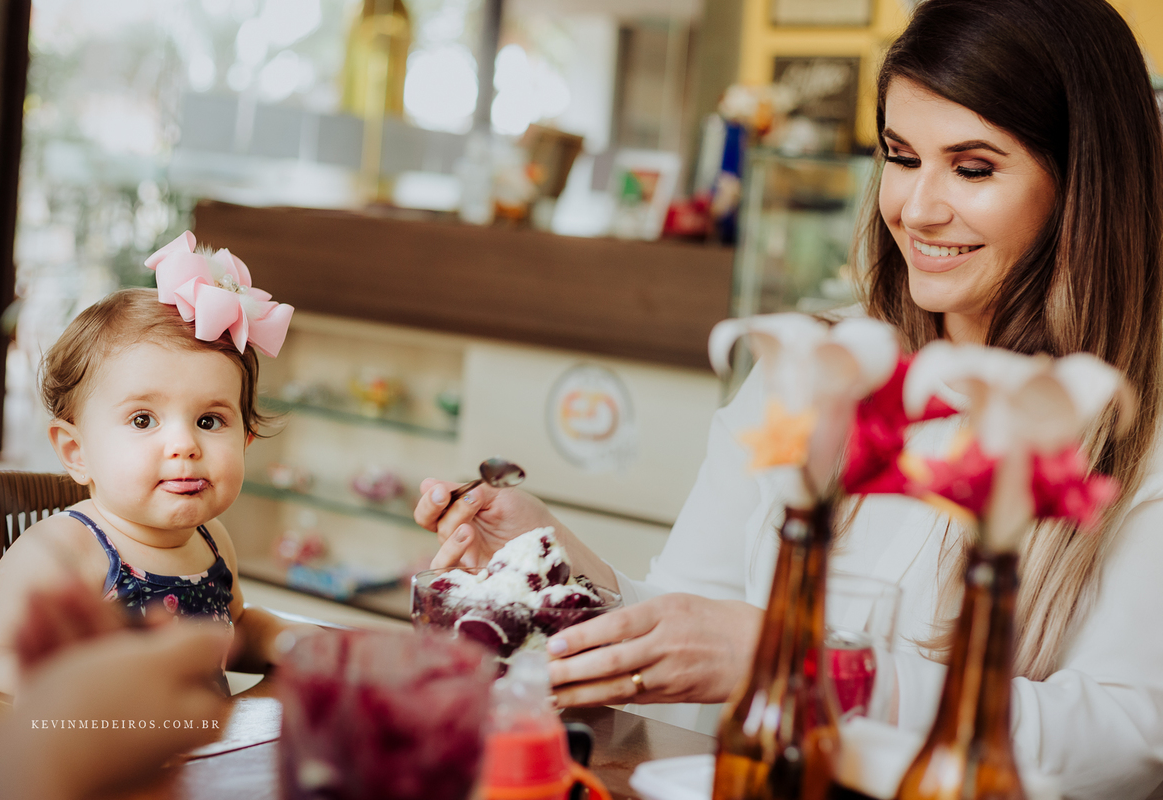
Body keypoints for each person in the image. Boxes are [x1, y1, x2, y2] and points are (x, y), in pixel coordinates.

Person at [415, 0, 1163, 796]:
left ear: (1083, 181)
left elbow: (1126, 740)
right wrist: (559, 570)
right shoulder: (816, 361)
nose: (918, 207)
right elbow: (699, 617)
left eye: (972, 168)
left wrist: (808, 668)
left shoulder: (1135, 423)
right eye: (902, 157)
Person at [0, 233, 316, 694]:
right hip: (98, 759)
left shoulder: (212, 541)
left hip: (203, 758)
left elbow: (230, 634)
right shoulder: (64, 550)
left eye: (209, 421)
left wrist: (282, 641)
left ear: (246, 442)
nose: (185, 445)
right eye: (144, 418)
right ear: (77, 452)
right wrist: (77, 682)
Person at [0, 581, 232, 800]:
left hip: (198, 767)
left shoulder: (213, 541)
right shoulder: (67, 539)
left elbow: (240, 616)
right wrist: (54, 689)